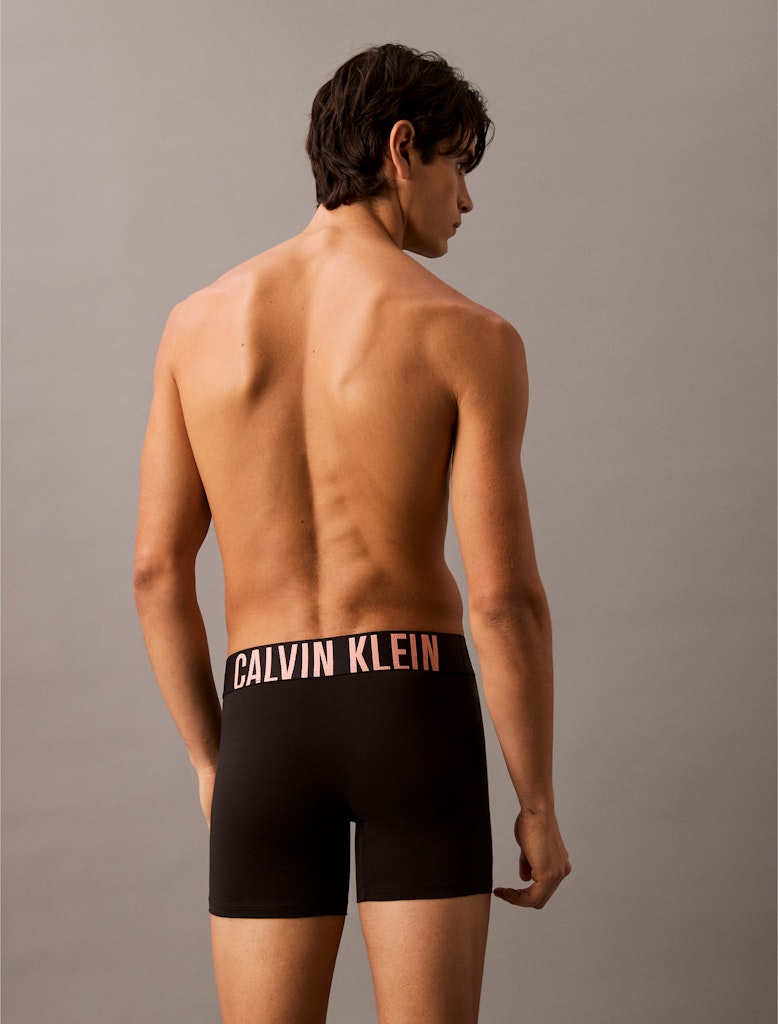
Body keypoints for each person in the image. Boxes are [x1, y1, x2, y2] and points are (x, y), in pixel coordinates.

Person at [133, 42, 571, 1024]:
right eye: (458, 166)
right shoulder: (471, 335)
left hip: (264, 715)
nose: (466, 200)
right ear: (402, 149)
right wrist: (536, 799)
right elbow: (504, 599)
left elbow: (157, 572)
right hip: (409, 705)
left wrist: (213, 762)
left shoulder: (195, 326)